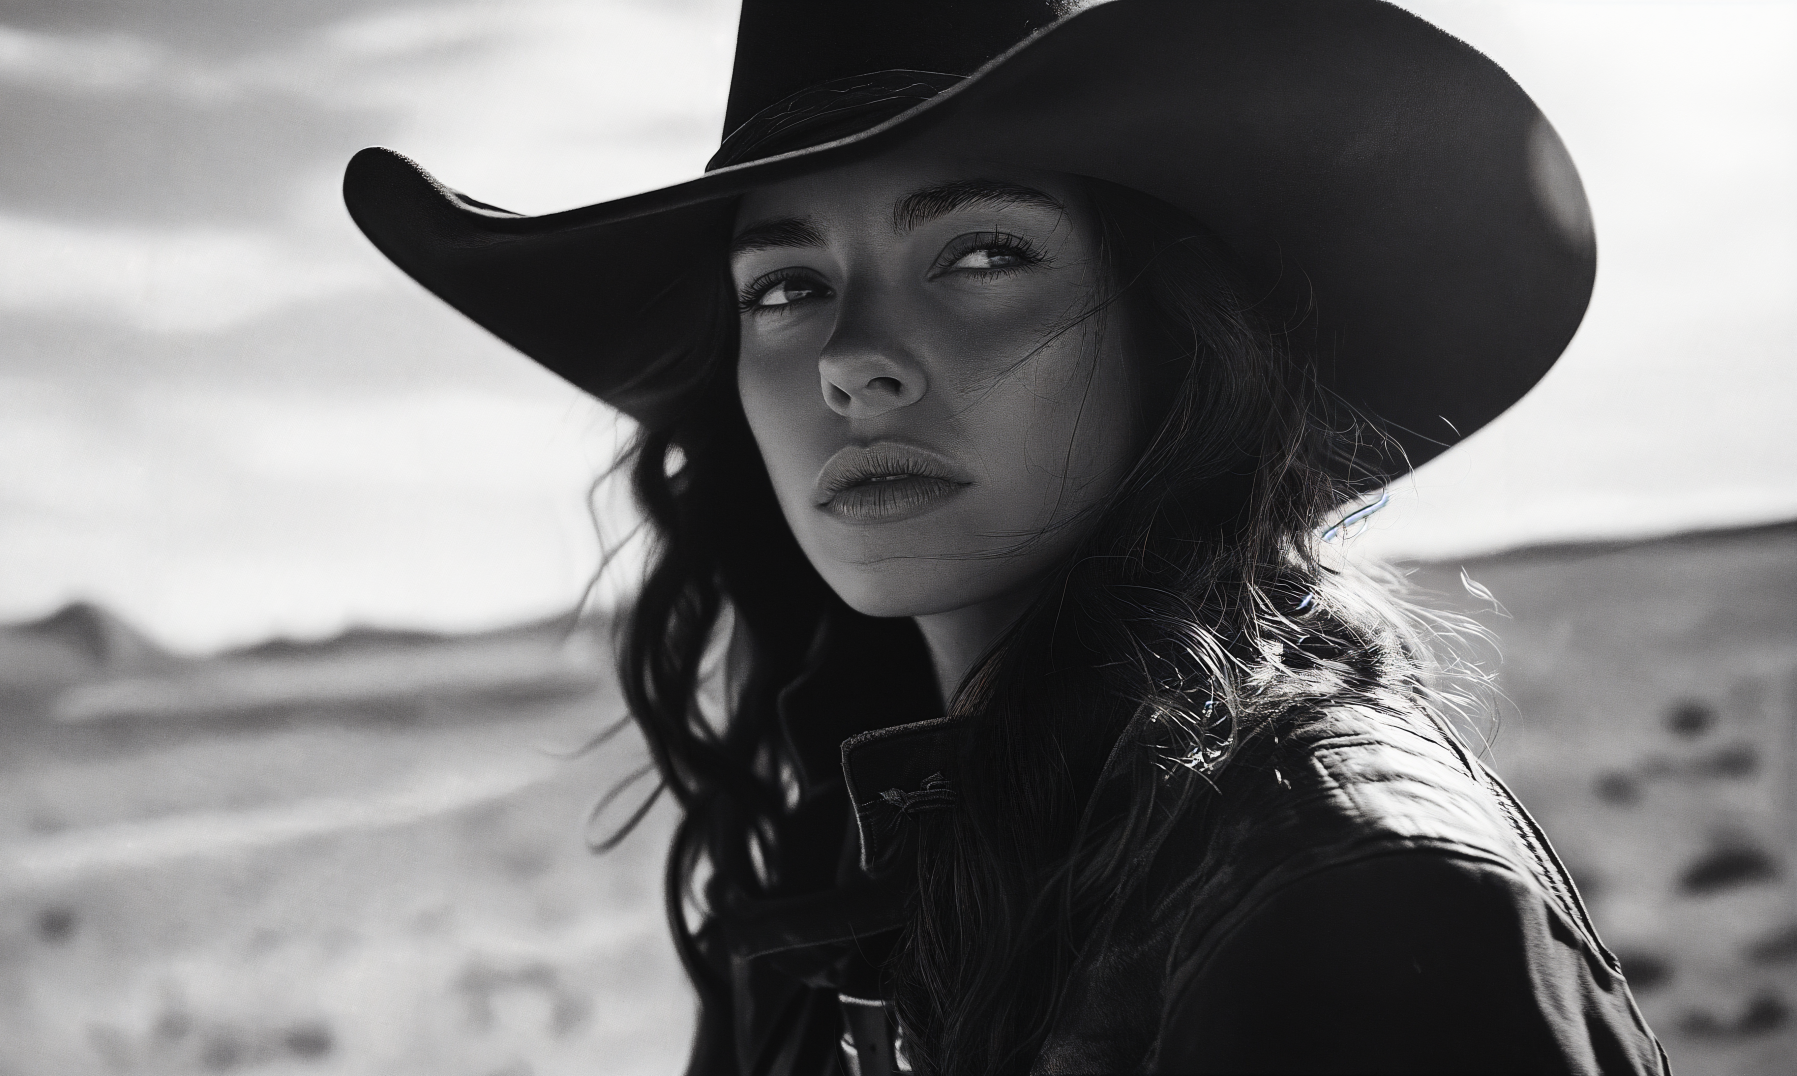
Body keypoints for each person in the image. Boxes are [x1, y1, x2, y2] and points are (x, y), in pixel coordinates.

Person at [344, 1, 1671, 1073]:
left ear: (1172, 332)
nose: (854, 363)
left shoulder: (1344, 891)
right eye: (788, 287)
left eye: (980, 256)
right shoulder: (840, 867)